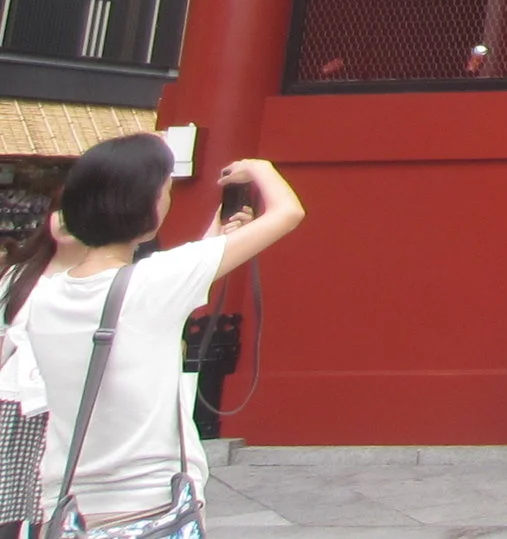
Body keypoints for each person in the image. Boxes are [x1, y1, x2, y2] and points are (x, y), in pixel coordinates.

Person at [4, 137, 304, 530]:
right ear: (145, 205)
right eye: (164, 191)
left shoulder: (42, 296)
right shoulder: (157, 282)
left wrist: (216, 236)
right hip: (152, 501)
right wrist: (260, 168)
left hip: (67, 504)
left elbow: (170, 281)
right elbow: (288, 212)